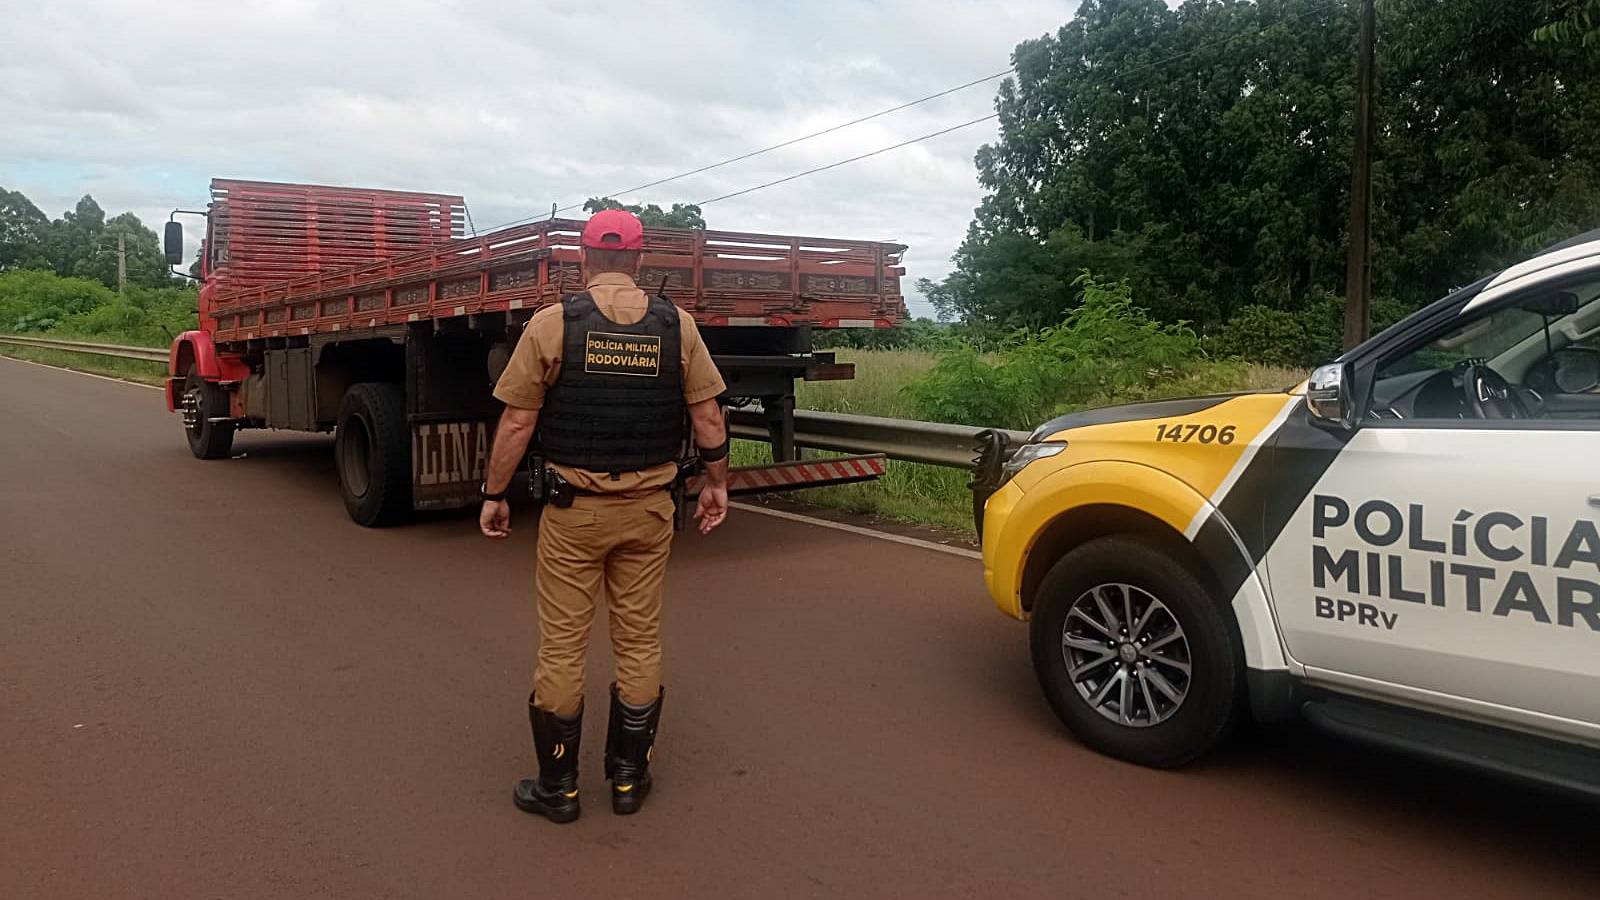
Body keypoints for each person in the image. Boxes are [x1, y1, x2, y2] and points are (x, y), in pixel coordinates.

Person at [478, 208, 730, 823]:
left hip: (574, 515)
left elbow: (517, 420)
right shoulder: (679, 327)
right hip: (649, 512)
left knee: (563, 645)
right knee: (639, 640)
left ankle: (558, 790)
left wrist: (494, 492)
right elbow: (708, 420)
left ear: (584, 260)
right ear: (640, 260)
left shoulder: (553, 324)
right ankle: (626, 780)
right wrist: (716, 484)